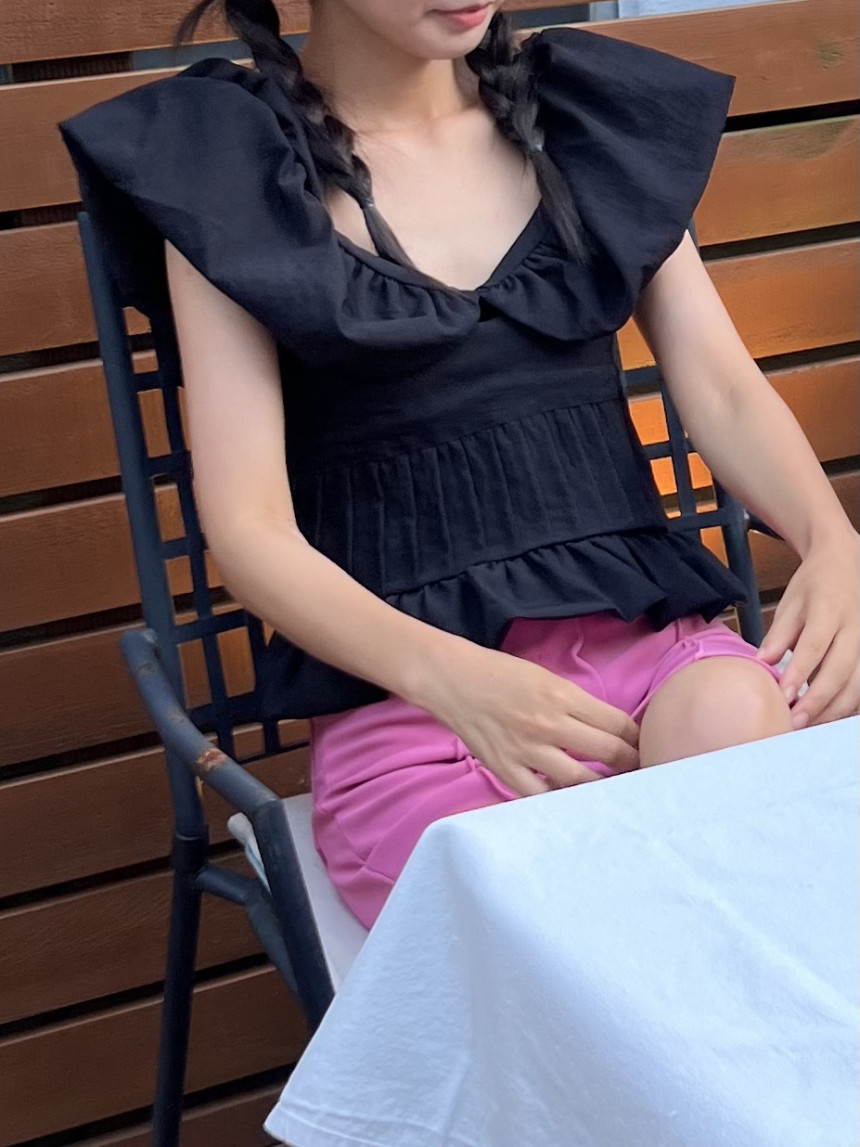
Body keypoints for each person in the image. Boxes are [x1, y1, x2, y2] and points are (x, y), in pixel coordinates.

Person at [59, 1, 859, 934]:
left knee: (742, 765)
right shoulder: (234, 172)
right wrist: (455, 682)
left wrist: (832, 539)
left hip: (653, 660)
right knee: (558, 917)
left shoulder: (575, 121)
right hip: (417, 710)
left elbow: (721, 387)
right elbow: (248, 530)